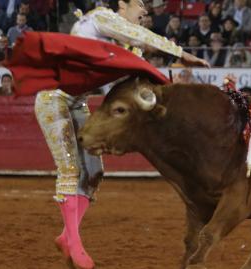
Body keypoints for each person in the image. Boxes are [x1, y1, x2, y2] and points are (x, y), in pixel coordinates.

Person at [33, 2, 209, 269]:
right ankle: (75, 244)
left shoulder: (131, 48)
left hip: (77, 102)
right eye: (140, 4)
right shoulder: (101, 18)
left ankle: (67, 236)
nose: (145, 12)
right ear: (122, 4)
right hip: (51, 97)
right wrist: (180, 53)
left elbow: (136, 83)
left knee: (93, 172)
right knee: (70, 168)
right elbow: (135, 34)